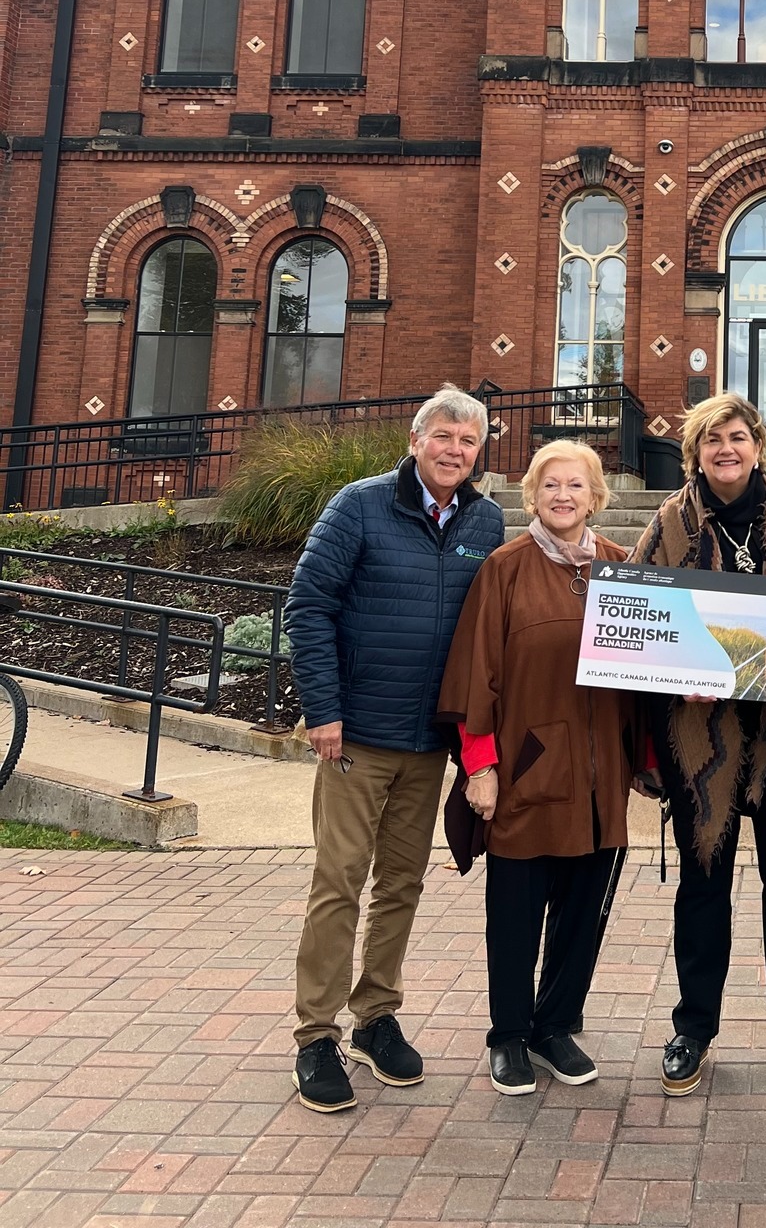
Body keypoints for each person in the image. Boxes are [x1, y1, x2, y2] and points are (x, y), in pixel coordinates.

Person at [286, 386, 505, 1113]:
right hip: (357, 736)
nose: (454, 451)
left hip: (428, 742)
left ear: (480, 453)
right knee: (339, 882)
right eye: (443, 436)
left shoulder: (486, 517)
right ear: (416, 440)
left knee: (402, 885)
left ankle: (375, 1016)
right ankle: (316, 1034)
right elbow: (309, 604)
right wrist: (324, 709)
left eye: (468, 442)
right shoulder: (361, 504)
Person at [631, 392, 766, 1098]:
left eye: (737, 437)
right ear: (694, 453)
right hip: (704, 740)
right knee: (703, 888)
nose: (726, 449)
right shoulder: (671, 520)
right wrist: (673, 675)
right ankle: (693, 1028)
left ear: (757, 445)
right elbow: (632, 608)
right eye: (711, 440)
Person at [437, 439, 638, 1098]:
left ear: (595, 496)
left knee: (583, 913)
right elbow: (476, 674)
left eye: (575, 486)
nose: (562, 496)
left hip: (601, 776)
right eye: (550, 485)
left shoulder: (621, 569)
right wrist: (481, 766)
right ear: (532, 494)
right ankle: (508, 1035)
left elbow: (661, 660)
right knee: (517, 913)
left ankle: (556, 1027)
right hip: (527, 771)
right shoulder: (505, 568)